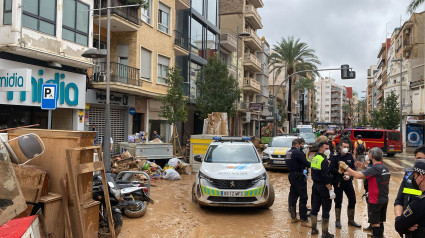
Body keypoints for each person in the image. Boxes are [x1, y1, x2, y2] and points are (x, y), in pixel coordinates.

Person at [339, 147, 390, 238]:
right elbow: (373, 173)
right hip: (384, 199)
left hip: (375, 200)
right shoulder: (384, 168)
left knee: (375, 223)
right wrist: (364, 167)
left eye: (369, 153)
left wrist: (346, 167)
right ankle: (381, 235)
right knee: (380, 221)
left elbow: (358, 175)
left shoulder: (374, 168)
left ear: (372, 156)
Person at [394, 145, 425, 237]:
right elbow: (399, 200)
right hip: (408, 229)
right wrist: (400, 219)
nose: (421, 161)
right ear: (414, 159)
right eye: (419, 159)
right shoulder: (408, 177)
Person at [329, 141, 361, 229]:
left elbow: (352, 168)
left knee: (353, 200)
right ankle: (338, 221)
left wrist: (349, 175)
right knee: (338, 201)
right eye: (344, 146)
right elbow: (331, 169)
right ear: (340, 147)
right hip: (338, 182)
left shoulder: (350, 156)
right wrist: (340, 172)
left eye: (347, 147)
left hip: (348, 182)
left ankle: (351, 220)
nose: (346, 148)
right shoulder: (335, 157)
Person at [310, 142, 335, 238]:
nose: (328, 149)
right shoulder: (324, 160)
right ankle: (325, 233)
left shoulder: (315, 158)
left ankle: (313, 229)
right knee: (326, 210)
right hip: (324, 188)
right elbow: (325, 177)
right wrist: (330, 189)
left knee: (314, 208)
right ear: (321, 149)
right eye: (326, 148)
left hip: (315, 186)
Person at [285, 139, 311, 226]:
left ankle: (293, 217)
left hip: (292, 176)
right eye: (302, 145)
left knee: (293, 196)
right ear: (297, 145)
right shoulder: (298, 153)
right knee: (303, 197)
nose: (302, 146)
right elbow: (307, 164)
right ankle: (303, 219)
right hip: (299, 177)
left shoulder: (288, 152)